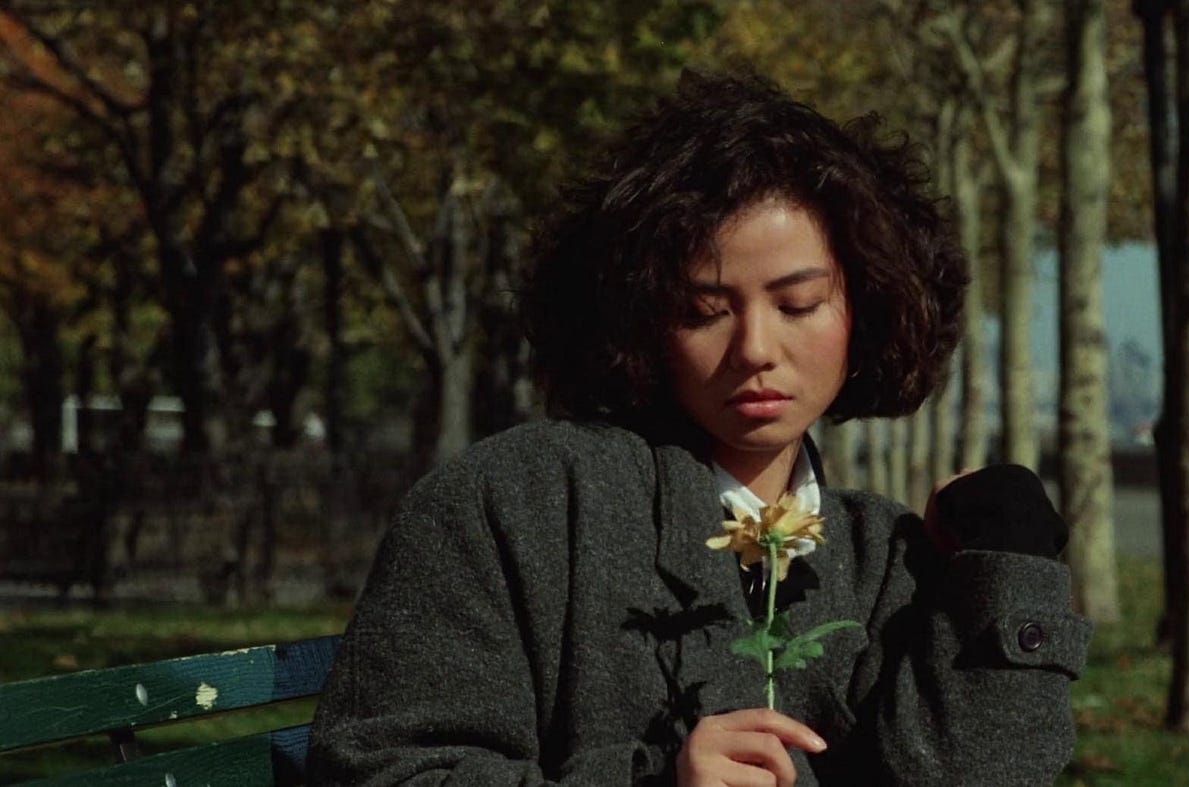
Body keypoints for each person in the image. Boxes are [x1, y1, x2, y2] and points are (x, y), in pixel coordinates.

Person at [307, 72, 1090, 787]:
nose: (754, 349)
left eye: (799, 304)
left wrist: (1007, 565)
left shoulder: (889, 561)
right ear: (641, 323)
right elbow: (382, 769)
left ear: (868, 309)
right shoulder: (517, 505)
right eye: (703, 311)